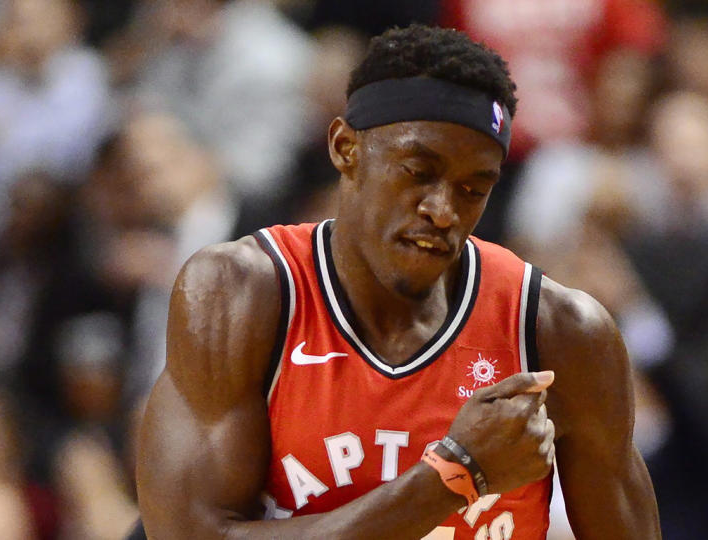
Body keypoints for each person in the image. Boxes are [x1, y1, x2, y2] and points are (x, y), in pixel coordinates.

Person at [134, 24, 660, 539]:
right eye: (418, 171)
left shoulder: (559, 332)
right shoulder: (242, 295)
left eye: (472, 189)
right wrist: (455, 477)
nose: (442, 210)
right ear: (345, 149)